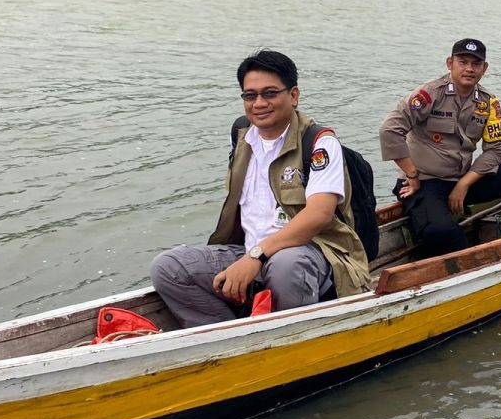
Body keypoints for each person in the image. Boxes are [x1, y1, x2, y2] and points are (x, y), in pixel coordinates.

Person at [150, 50, 371, 328]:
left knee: (286, 266)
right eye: (250, 95)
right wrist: (249, 256)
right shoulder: (243, 138)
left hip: (310, 255)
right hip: (251, 251)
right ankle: (227, 337)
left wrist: (257, 255)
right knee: (169, 267)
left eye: (269, 93)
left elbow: (320, 215)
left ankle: (290, 336)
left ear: (293, 96)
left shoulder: (319, 143)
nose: (259, 103)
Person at [379, 38, 501, 257]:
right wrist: (411, 173)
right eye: (463, 62)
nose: (469, 69)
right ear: (449, 63)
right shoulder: (429, 95)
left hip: (462, 180)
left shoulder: (488, 103)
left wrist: (464, 184)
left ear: (485, 68)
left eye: (476, 64)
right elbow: (389, 130)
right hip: (424, 184)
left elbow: (496, 150)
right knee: (439, 231)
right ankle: (471, 259)